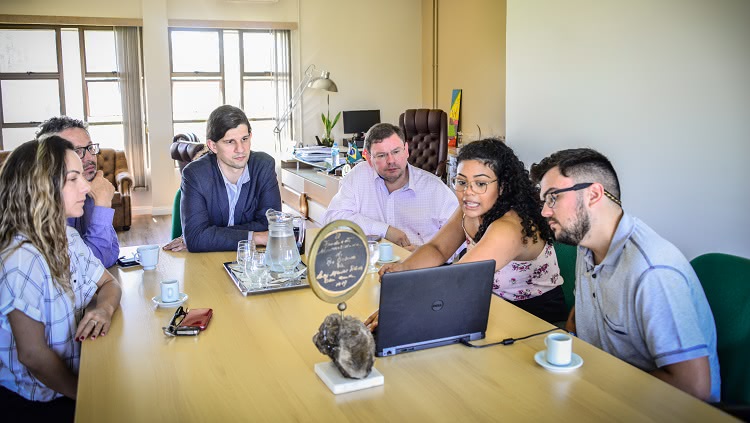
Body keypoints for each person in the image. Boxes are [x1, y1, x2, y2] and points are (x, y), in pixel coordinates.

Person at [529, 148, 720, 402]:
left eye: (553, 197)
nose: (544, 211)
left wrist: (600, 384)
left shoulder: (652, 270)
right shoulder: (586, 245)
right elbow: (580, 318)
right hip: (598, 391)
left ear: (594, 194)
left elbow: (694, 388)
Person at [367, 138, 566, 327]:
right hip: (491, 304)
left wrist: (399, 308)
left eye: (480, 183)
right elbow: (438, 249)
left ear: (503, 186)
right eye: (461, 182)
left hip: (534, 319)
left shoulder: (510, 227)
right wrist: (404, 268)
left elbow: (459, 279)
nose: (468, 192)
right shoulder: (471, 210)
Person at [0, 136, 122, 420]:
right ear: (41, 187)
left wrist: (103, 308)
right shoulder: (21, 260)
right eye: (73, 178)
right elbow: (33, 355)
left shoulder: (67, 237)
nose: (87, 187)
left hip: (72, 377)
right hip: (39, 399)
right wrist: (87, 394)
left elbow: (108, 283)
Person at [163, 105, 281, 252]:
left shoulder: (264, 166)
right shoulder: (195, 174)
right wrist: (258, 237)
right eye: (230, 141)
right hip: (208, 263)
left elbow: (271, 225)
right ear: (213, 145)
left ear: (250, 136)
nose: (241, 149)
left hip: (252, 258)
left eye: (244, 139)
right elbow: (196, 238)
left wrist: (210, 236)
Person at [323, 123, 457, 251]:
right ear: (369, 158)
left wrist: (425, 254)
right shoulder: (359, 176)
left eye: (396, 152)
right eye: (381, 155)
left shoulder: (435, 188)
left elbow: (459, 241)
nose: (391, 161)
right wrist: (384, 230)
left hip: (420, 270)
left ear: (406, 150)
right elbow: (332, 220)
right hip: (372, 268)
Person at [36, 117, 119, 267]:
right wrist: (103, 206)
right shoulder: (40, 207)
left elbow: (110, 253)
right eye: (76, 151)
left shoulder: (89, 188)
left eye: (89, 148)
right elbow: (89, 267)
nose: (89, 158)